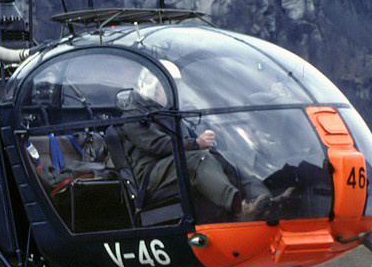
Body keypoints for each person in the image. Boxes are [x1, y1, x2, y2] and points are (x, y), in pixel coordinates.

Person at [117, 63, 277, 222]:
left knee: (227, 158)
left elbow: (186, 141)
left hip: (174, 162)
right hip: (151, 173)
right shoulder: (134, 115)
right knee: (199, 160)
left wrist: (204, 144)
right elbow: (158, 145)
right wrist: (196, 145)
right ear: (151, 85)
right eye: (165, 86)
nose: (171, 91)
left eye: (175, 86)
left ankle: (266, 201)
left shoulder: (169, 112)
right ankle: (239, 209)